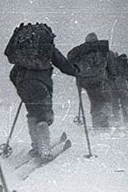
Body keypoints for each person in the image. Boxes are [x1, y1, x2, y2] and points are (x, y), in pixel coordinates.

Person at [5, 23, 78, 161]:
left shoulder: (21, 50)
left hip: (22, 83)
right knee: (43, 115)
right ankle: (44, 151)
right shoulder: (46, 47)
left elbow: (10, 61)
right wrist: (77, 72)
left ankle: (36, 147)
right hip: (40, 83)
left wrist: (20, 83)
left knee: (33, 113)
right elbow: (62, 64)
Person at [67, 33, 117, 128]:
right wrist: (112, 77)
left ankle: (97, 123)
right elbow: (111, 67)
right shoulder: (104, 51)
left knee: (94, 100)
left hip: (85, 81)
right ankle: (101, 124)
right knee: (103, 100)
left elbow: (71, 63)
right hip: (99, 79)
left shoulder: (81, 51)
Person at [110, 53, 128, 124]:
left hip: (113, 87)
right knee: (124, 102)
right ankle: (126, 118)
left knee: (115, 103)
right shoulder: (125, 66)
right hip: (122, 86)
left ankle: (116, 118)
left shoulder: (112, 64)